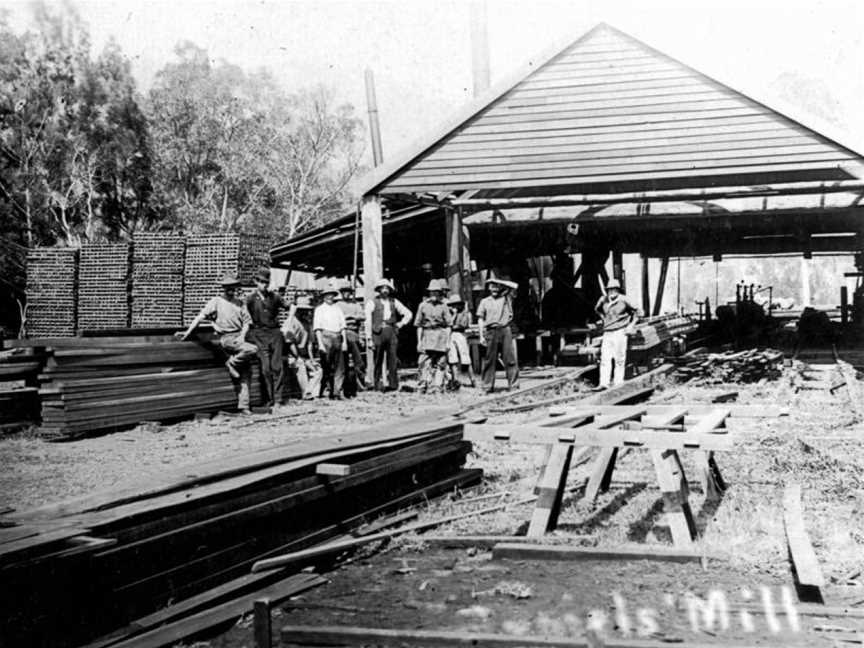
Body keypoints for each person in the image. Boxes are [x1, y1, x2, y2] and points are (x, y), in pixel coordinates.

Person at [176, 273, 257, 414]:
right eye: (228, 288)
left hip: (239, 338)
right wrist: (187, 333)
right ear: (224, 288)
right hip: (226, 338)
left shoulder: (240, 303)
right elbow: (199, 317)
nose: (231, 290)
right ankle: (231, 363)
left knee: (246, 373)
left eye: (233, 288)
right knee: (252, 349)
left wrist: (243, 337)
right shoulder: (216, 301)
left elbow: (247, 323)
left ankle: (244, 406)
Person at [246, 267, 287, 409]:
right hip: (259, 335)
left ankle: (278, 400)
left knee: (277, 367)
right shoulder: (250, 299)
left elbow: (291, 306)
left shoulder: (274, 297)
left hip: (275, 333)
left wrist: (288, 323)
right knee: (265, 369)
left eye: (266, 282)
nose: (264, 285)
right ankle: (269, 399)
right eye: (261, 282)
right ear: (256, 282)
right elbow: (243, 316)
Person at [364, 278, 412, 392]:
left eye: (387, 288)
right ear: (379, 290)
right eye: (382, 288)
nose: (385, 290)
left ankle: (393, 385)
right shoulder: (372, 302)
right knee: (378, 360)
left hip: (391, 332)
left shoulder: (394, 302)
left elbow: (408, 313)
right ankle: (377, 384)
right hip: (378, 333)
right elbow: (368, 321)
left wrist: (401, 324)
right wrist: (369, 338)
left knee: (393, 359)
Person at [594, 278, 641, 389]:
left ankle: (618, 383)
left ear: (618, 290)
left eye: (614, 289)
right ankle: (603, 383)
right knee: (605, 358)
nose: (612, 291)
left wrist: (631, 325)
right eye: (610, 289)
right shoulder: (603, 300)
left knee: (619, 359)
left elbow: (639, 311)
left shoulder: (624, 300)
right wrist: (603, 319)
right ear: (607, 290)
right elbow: (597, 309)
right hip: (607, 332)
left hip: (620, 332)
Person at [476, 277, 519, 394]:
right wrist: (481, 335)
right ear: (488, 288)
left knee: (509, 358)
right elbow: (480, 319)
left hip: (505, 330)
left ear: (500, 287)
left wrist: (500, 282)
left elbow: (515, 286)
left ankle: (513, 386)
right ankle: (487, 387)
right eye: (492, 286)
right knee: (490, 360)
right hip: (491, 331)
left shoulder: (506, 298)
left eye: (496, 286)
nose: (494, 288)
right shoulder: (484, 301)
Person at [413, 279, 453, 393]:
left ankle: (438, 386)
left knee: (441, 362)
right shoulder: (423, 306)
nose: (434, 294)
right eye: (432, 292)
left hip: (440, 335)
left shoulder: (444, 306)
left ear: (440, 293)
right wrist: (419, 341)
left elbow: (449, 325)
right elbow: (419, 325)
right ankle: (422, 385)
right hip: (427, 335)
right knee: (423, 362)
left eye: (437, 292)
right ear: (429, 293)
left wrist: (448, 342)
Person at [313, 282, 348, 399]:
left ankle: (337, 392)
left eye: (331, 295)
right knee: (327, 367)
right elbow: (317, 328)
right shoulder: (319, 310)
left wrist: (344, 343)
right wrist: (320, 344)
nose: (330, 297)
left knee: (340, 367)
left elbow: (343, 326)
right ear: (323, 296)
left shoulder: (338, 309)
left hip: (338, 337)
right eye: (327, 295)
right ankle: (327, 391)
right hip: (326, 337)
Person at [281, 295, 316, 399]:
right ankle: (306, 393)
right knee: (300, 365)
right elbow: (290, 343)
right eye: (301, 310)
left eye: (306, 310)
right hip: (291, 354)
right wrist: (298, 357)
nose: (304, 313)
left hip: (303, 353)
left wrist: (311, 359)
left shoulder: (307, 324)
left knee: (318, 370)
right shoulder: (291, 322)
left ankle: (312, 392)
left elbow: (309, 344)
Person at [336, 280, 367, 392]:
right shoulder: (337, 305)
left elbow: (363, 316)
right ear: (341, 293)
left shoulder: (356, 305)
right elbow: (338, 319)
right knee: (341, 362)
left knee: (359, 361)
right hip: (341, 334)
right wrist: (350, 317)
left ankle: (361, 385)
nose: (347, 294)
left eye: (348, 292)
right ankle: (342, 386)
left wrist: (352, 318)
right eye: (344, 292)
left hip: (354, 333)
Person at [447, 294, 476, 388]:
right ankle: (455, 380)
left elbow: (463, 325)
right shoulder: (450, 314)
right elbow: (448, 324)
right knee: (452, 358)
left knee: (465, 357)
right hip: (450, 335)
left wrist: (454, 323)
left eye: (456, 304)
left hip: (460, 334)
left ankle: (473, 380)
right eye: (452, 305)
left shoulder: (465, 313)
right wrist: (454, 316)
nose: (454, 307)